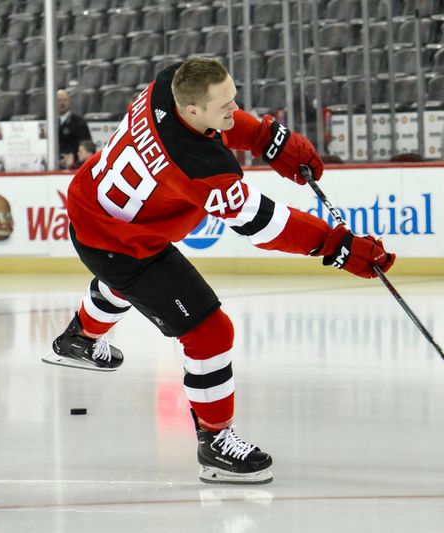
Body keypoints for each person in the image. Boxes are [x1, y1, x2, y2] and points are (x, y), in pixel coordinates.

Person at [41, 58, 395, 485]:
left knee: (122, 285)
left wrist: (266, 139)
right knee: (210, 332)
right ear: (192, 111)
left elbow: (220, 120)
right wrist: (335, 246)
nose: (234, 108)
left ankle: (79, 337)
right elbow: (262, 224)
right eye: (225, 104)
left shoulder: (169, 83)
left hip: (93, 207)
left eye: (234, 98)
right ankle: (215, 441)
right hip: (120, 244)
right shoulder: (199, 167)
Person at [57, 89, 92, 169]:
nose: (62, 103)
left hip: (75, 166)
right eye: (59, 100)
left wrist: (74, 157)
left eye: (65, 100)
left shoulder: (79, 122)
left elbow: (87, 146)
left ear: (69, 102)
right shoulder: (52, 123)